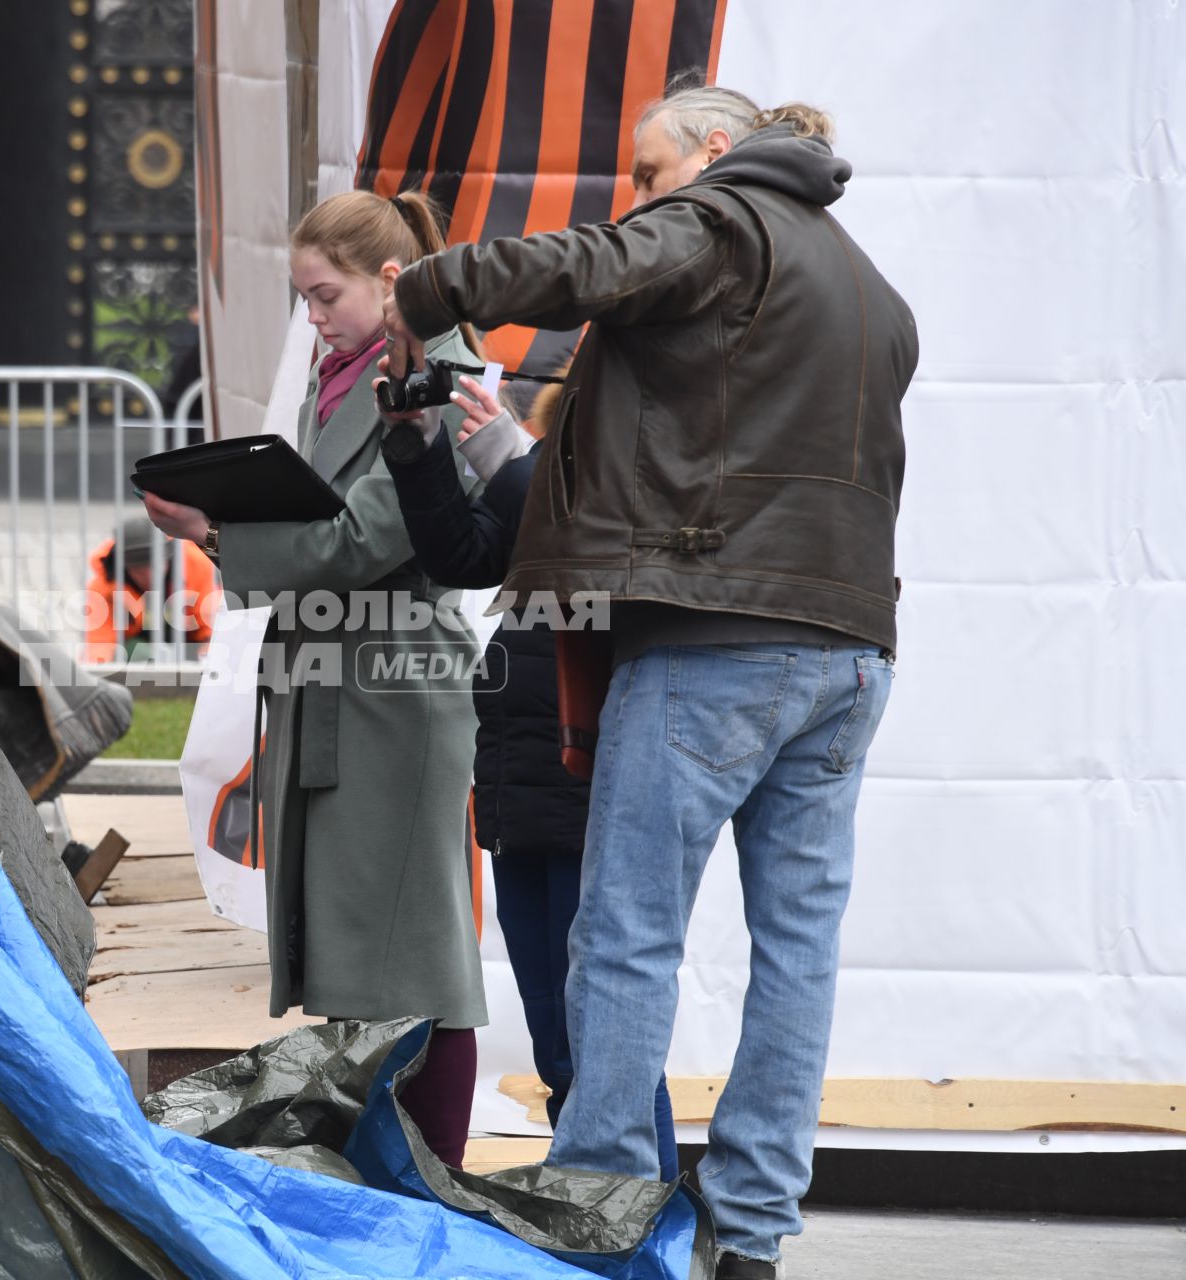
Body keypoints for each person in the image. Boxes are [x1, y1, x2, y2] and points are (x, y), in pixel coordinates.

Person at [382, 83, 918, 1279]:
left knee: (623, 933)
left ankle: (604, 1202)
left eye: (645, 170)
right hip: (849, 646)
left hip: (715, 640)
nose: (635, 196)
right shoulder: (874, 290)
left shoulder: (724, 219)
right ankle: (754, 1234)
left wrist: (428, 288)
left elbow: (591, 266)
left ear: (717, 152)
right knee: (798, 949)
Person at [140, 189, 488, 1166]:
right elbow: (321, 537)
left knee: (417, 962)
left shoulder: (441, 373)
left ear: (388, 279)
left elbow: (365, 538)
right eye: (303, 298)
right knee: (353, 956)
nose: (314, 317)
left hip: (394, 690)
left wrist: (215, 530)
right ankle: (385, 1173)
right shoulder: (344, 377)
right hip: (338, 684)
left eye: (325, 293)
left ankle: (433, 1179)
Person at [378, 368, 680, 1183]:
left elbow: (604, 557)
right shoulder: (544, 478)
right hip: (523, 797)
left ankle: (643, 1223)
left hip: (595, 793)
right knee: (558, 1039)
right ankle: (595, 1210)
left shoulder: (641, 475)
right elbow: (461, 551)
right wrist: (425, 448)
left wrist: (516, 464)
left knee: (606, 1043)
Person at [82, 515, 220, 663]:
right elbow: (99, 647)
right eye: (139, 571)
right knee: (139, 652)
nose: (150, 576)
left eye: (155, 565)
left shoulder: (197, 566)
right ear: (125, 568)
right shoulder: (104, 587)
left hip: (190, 646)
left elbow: (212, 630)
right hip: (137, 651)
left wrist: (207, 664)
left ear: (168, 557)